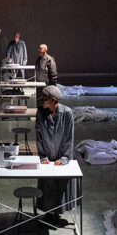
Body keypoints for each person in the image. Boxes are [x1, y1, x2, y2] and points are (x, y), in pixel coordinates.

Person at [35, 85, 76, 226]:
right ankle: (48, 212)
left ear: (53, 100)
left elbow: (69, 138)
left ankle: (57, 213)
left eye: (44, 99)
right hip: (47, 154)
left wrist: (65, 157)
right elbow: (39, 136)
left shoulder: (67, 113)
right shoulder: (40, 113)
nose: (41, 101)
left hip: (62, 154)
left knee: (61, 184)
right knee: (47, 183)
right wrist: (43, 156)